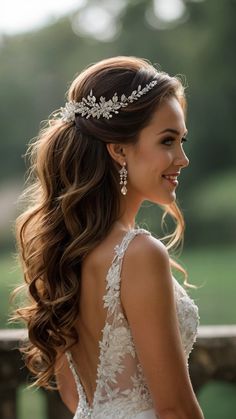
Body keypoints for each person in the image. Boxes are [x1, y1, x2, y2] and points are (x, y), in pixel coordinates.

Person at [11, 56, 204, 419]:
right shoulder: (139, 254)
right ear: (118, 150)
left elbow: (75, 396)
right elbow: (176, 409)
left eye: (182, 141)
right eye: (168, 141)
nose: (183, 158)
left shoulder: (68, 251)